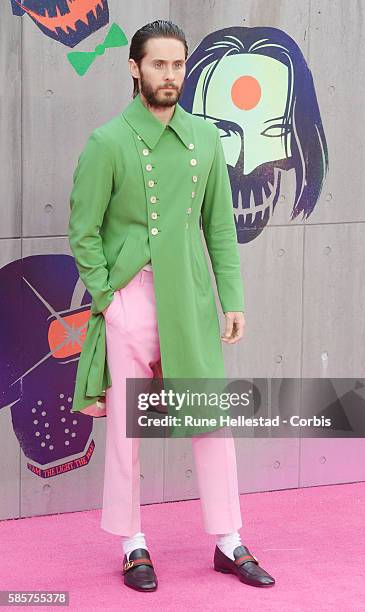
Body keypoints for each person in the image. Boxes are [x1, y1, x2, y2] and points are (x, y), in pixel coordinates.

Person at [68, 19, 275, 592]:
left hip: (191, 300)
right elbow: (83, 230)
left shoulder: (206, 137)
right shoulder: (107, 141)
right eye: (158, 64)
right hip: (129, 304)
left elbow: (220, 227)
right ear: (134, 68)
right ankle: (133, 544)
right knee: (128, 433)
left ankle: (229, 541)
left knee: (211, 423)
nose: (170, 75)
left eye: (178, 64)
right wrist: (107, 296)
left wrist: (231, 298)